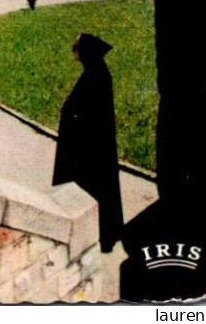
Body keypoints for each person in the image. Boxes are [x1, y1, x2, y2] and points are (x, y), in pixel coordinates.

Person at [52, 32, 124, 252]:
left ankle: (100, 236)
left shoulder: (96, 76)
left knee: (91, 190)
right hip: (90, 149)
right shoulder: (95, 73)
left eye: (76, 47)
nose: (73, 51)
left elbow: (87, 114)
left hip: (89, 151)